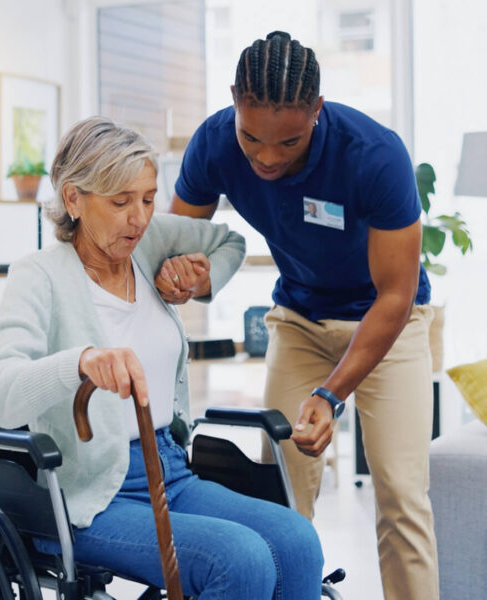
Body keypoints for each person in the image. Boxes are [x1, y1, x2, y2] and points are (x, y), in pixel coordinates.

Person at [0, 116, 324, 599]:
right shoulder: (39, 276)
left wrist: (200, 280)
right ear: (73, 199)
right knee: (239, 559)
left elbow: (230, 241)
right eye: (120, 203)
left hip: (170, 469)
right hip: (88, 491)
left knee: (297, 541)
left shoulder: (148, 242)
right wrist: (79, 362)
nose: (138, 218)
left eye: (147, 198)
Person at [171, 31, 439, 600]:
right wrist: (187, 276)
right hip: (300, 321)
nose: (266, 157)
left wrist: (332, 395)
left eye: (287, 142)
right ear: (233, 104)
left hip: (390, 327)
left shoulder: (375, 155)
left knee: (401, 496)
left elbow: (394, 295)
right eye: (251, 138)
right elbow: (176, 246)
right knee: (283, 498)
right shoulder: (215, 142)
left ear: (317, 111)